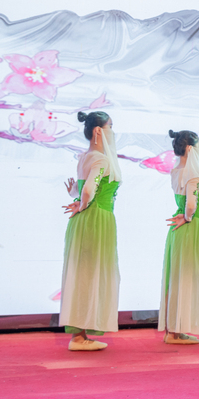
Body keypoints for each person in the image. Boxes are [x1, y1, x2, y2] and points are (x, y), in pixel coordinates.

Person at [60, 111, 121, 351]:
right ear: (98, 131)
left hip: (85, 220)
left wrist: (77, 198)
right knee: (91, 273)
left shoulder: (85, 157)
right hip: (96, 219)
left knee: (82, 273)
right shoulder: (101, 159)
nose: (112, 132)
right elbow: (87, 191)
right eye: (110, 126)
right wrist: (83, 202)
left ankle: (79, 333)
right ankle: (78, 336)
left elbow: (82, 189)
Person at [159, 129, 199, 345]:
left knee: (177, 278)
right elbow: (191, 204)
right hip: (190, 227)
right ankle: (175, 332)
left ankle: (174, 329)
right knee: (186, 277)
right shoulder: (192, 174)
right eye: (198, 146)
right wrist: (188, 217)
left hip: (179, 229)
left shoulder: (177, 171)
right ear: (190, 148)